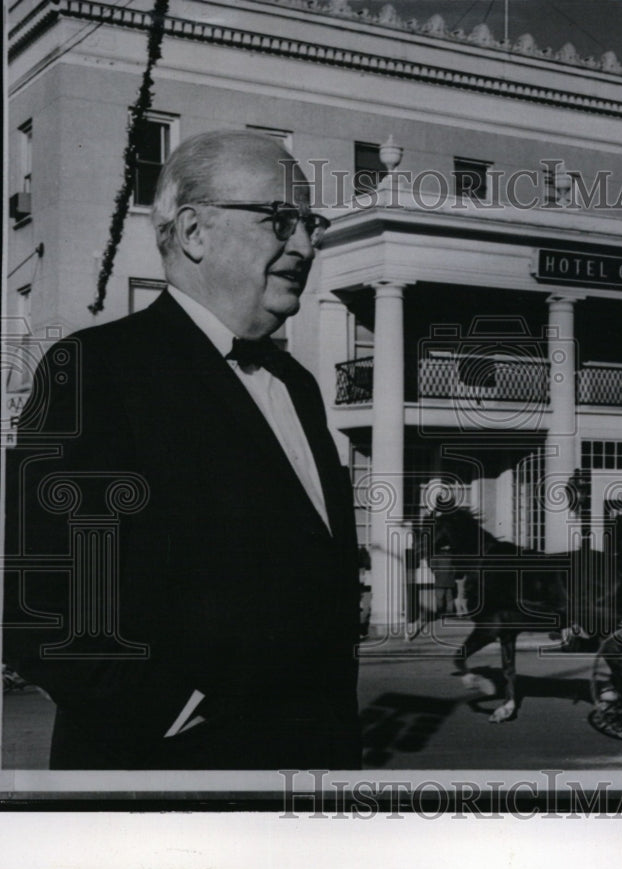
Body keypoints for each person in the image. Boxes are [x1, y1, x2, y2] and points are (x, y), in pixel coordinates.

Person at [3, 130, 361, 769]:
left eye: (310, 223)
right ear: (194, 231)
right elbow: (41, 602)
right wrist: (168, 714)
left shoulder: (300, 387)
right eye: (282, 220)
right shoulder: (95, 371)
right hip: (168, 793)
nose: (305, 245)